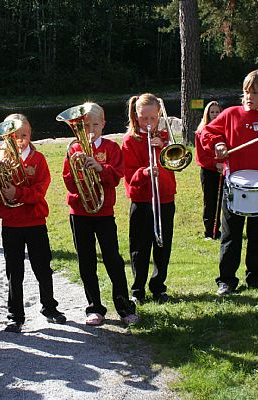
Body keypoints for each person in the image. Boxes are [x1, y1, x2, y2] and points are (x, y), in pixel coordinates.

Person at [201, 69, 258, 295]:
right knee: (231, 236)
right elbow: (208, 132)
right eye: (246, 92)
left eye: (255, 92)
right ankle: (227, 280)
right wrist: (218, 145)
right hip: (235, 185)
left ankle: (257, 277)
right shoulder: (231, 114)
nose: (249, 96)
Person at [63, 102, 138, 326]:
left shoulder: (112, 148)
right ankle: (94, 307)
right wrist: (80, 174)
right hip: (80, 212)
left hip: (103, 212)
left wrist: (99, 167)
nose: (90, 129)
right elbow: (68, 181)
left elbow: (116, 177)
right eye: (85, 125)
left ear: (103, 123)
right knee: (86, 261)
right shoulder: (74, 149)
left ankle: (124, 307)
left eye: (95, 124)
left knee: (113, 259)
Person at [0, 113, 66, 332]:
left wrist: (18, 192)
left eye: (24, 134)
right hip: (12, 223)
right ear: (6, 137)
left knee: (43, 267)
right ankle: (15, 314)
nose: (19, 139)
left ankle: (49, 307)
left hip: (35, 221)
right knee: (14, 271)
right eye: (13, 135)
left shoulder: (38, 159)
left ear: (30, 134)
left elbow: (40, 191)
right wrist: (1, 176)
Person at [122, 94, 176, 304]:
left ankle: (158, 286)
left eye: (152, 118)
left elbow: (176, 164)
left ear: (159, 115)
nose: (148, 123)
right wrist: (144, 173)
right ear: (136, 117)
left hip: (165, 197)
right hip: (142, 199)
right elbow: (128, 175)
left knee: (163, 246)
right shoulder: (130, 141)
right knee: (140, 247)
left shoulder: (164, 136)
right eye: (144, 118)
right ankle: (137, 289)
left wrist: (162, 146)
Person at [195, 101, 224, 240]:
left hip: (224, 170)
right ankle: (209, 231)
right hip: (208, 171)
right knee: (210, 201)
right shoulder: (201, 132)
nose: (215, 115)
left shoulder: (224, 130)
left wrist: (223, 164)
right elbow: (201, 157)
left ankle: (221, 228)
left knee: (223, 201)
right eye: (212, 112)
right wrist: (215, 164)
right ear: (207, 114)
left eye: (217, 112)